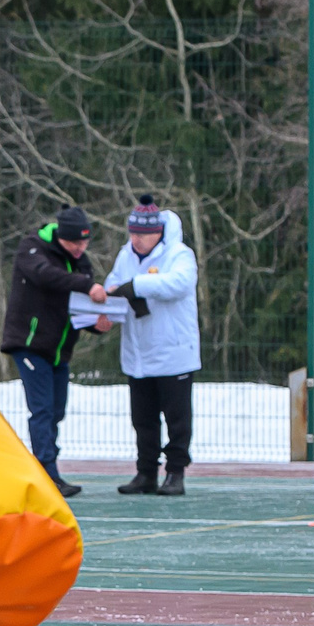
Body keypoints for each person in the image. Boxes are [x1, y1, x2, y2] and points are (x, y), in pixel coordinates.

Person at [0, 204, 106, 496]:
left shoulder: (81, 261)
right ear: (61, 235)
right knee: (42, 410)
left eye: (85, 242)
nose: (80, 248)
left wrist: (98, 324)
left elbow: (79, 308)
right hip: (30, 345)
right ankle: (47, 473)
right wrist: (87, 286)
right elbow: (46, 276)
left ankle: (47, 469)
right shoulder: (32, 248)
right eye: (74, 242)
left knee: (56, 410)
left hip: (59, 350)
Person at [105, 195, 200, 497]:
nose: (137, 239)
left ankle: (175, 473)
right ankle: (145, 472)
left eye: (143, 234)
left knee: (177, 420)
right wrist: (103, 308)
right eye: (133, 233)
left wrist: (137, 285)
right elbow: (114, 284)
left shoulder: (180, 254)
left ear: (158, 232)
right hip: (138, 356)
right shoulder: (125, 254)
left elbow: (178, 284)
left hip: (174, 354)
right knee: (142, 420)